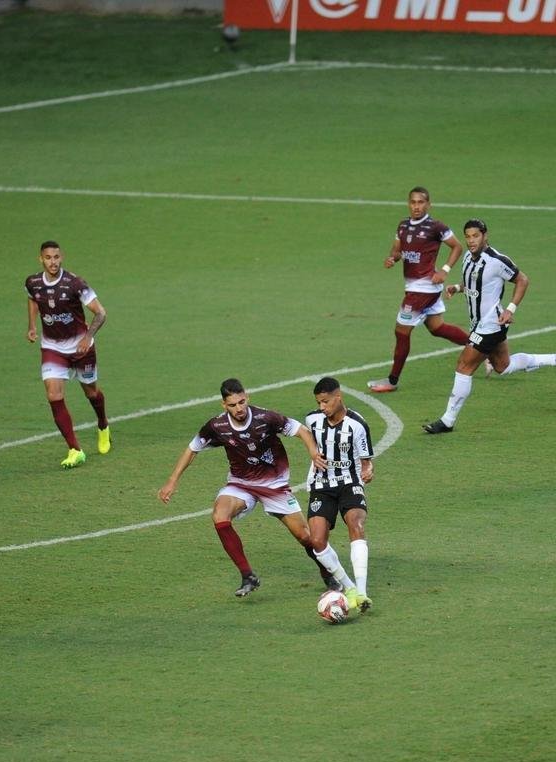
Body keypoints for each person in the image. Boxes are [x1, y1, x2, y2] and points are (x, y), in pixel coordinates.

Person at [158, 378, 361, 604]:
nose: (239, 408)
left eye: (242, 402)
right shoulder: (217, 426)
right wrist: (172, 481)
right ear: (223, 405)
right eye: (233, 405)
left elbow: (301, 430)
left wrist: (313, 452)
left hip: (274, 485)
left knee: (306, 537)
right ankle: (248, 575)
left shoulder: (266, 418)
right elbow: (192, 449)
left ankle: (327, 574)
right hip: (240, 483)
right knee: (219, 515)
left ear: (248, 397)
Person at [423, 219, 556, 434]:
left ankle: (447, 420)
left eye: (475, 236)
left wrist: (510, 309)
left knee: (463, 367)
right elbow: (475, 284)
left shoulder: (497, 260)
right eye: (467, 236)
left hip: (491, 325)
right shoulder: (468, 257)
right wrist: (457, 287)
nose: (471, 241)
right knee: (502, 367)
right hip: (480, 323)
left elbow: (523, 280)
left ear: (485, 236)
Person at [366, 187, 472, 393]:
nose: (416, 206)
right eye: (413, 202)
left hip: (423, 290)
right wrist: (392, 259)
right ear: (409, 204)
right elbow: (397, 250)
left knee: (401, 332)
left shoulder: (435, 226)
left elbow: (457, 246)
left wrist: (444, 270)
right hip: (414, 288)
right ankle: (482, 348)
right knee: (437, 328)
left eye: (421, 202)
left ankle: (392, 381)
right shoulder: (403, 225)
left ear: (428, 204)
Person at [25, 240, 111, 469]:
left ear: (61, 257)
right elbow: (33, 298)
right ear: (40, 259)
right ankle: (75, 449)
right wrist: (32, 325)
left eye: (56, 257)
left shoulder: (75, 284)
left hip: (80, 348)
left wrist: (87, 337)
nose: (52, 262)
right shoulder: (33, 282)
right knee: (53, 395)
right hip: (53, 348)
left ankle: (103, 424)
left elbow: (101, 313)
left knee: (92, 393)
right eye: (48, 258)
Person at [305, 377, 373, 612]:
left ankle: (362, 593)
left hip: (349, 483)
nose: (322, 407)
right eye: (319, 403)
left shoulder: (357, 425)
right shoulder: (312, 420)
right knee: (317, 541)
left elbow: (366, 462)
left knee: (356, 523)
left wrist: (368, 471)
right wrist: (313, 454)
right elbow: (302, 437)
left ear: (338, 396)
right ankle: (349, 587)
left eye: (325, 402)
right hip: (321, 484)